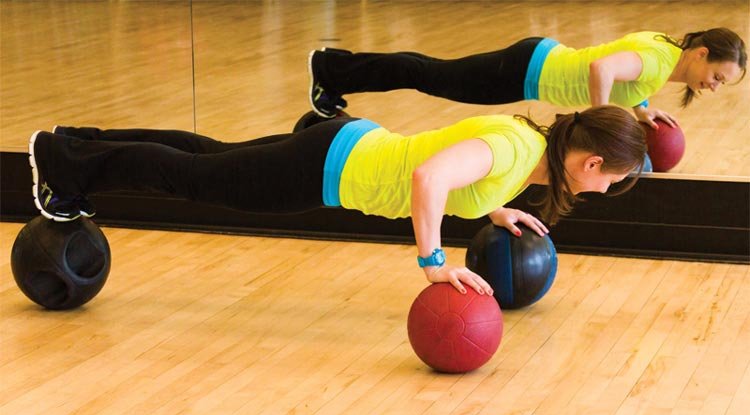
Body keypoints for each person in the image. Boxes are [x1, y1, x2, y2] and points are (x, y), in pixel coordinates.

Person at [29, 105, 646, 295]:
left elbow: (456, 166)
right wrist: (433, 265)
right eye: (611, 179)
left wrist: (492, 209)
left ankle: (78, 144)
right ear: (592, 162)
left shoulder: (527, 147)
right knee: (193, 178)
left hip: (344, 147)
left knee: (209, 156)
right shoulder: (515, 155)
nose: (605, 188)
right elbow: (430, 177)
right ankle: (63, 164)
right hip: (329, 167)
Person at [308, 28, 747, 128]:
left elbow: (622, 72)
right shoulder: (657, 61)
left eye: (722, 84)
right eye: (717, 76)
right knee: (428, 74)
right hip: (526, 71)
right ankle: (330, 68)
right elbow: (602, 68)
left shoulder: (666, 52)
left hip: (533, 62)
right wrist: (599, 121)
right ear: (702, 53)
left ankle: (334, 69)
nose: (714, 85)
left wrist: (642, 109)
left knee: (430, 71)